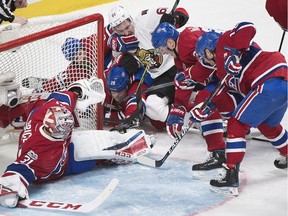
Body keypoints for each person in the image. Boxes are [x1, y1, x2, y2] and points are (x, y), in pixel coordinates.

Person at [0, 75, 155, 208]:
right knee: (93, 156)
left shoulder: (58, 108)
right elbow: (17, 170)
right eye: (61, 131)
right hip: (59, 166)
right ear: (49, 129)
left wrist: (81, 91)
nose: (66, 131)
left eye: (67, 128)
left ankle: (138, 141)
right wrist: (9, 192)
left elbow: (66, 95)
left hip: (67, 154)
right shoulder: (36, 152)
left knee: (100, 145)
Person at [191, 22, 288, 196]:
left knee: (236, 124)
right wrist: (206, 107)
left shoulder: (224, 41)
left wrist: (233, 53)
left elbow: (248, 27)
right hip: (280, 85)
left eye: (203, 57)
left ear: (207, 51)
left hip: (268, 78)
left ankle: (230, 174)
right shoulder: (223, 74)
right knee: (268, 126)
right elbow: (223, 95)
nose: (205, 62)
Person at [151, 22, 242, 178]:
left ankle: (219, 151)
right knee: (204, 99)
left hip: (236, 67)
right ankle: (221, 146)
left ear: (170, 42)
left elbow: (210, 58)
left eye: (162, 48)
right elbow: (185, 84)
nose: (163, 53)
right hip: (223, 73)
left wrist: (189, 75)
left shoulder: (187, 42)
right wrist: (177, 110)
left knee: (204, 100)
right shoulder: (180, 56)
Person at [106, 5, 189, 130]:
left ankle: (200, 116)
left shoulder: (145, 19)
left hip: (177, 64)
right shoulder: (120, 44)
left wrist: (175, 19)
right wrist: (125, 60)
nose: (126, 32)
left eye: (128, 27)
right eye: (121, 31)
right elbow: (116, 62)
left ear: (130, 19)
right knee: (153, 110)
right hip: (158, 78)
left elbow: (182, 12)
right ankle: (192, 119)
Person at [104, 64, 153, 129]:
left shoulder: (138, 84)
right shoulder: (105, 81)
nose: (116, 95)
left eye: (119, 91)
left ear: (127, 86)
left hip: (155, 75)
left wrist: (106, 116)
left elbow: (133, 111)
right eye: (113, 92)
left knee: (157, 121)